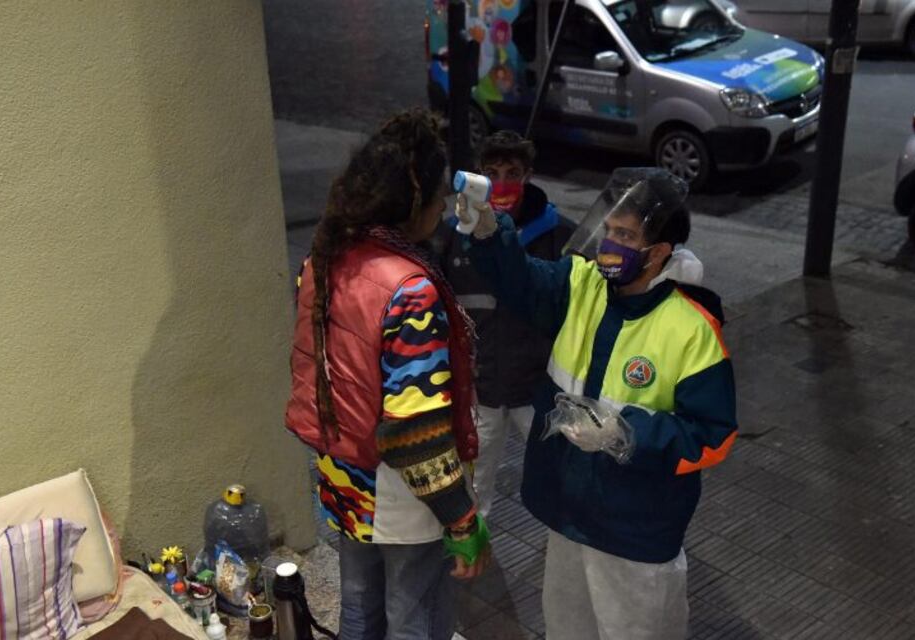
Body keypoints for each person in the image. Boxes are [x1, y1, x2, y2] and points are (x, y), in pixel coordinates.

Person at [455, 167, 738, 639]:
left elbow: (713, 435)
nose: (609, 243)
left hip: (635, 531)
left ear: (660, 252)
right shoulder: (583, 284)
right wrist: (489, 233)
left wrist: (628, 433)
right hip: (570, 512)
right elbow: (524, 282)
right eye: (608, 228)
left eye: (625, 235)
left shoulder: (691, 329)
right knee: (568, 627)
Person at [284, 109, 491, 640]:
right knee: (414, 615)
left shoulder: (325, 257)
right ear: (411, 201)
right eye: (439, 194)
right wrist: (460, 515)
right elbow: (412, 432)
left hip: (342, 470)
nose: (445, 206)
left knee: (359, 606)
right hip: (402, 491)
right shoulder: (411, 291)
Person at [434, 130, 573, 518]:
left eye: (513, 171)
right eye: (492, 172)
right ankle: (472, 549)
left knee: (560, 473)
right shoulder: (451, 235)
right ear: (479, 174)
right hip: (481, 388)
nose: (502, 182)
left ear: (528, 175)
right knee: (473, 483)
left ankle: (569, 545)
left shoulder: (558, 234)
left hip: (540, 388)